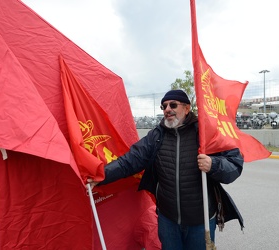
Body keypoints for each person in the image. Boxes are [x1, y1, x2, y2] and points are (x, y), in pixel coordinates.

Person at [88, 89, 244, 250]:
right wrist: (102, 175)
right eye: (164, 106)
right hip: (167, 221)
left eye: (173, 105)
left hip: (200, 222)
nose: (167, 109)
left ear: (187, 108)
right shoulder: (157, 135)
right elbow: (130, 161)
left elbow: (234, 165)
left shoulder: (206, 134)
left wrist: (213, 164)